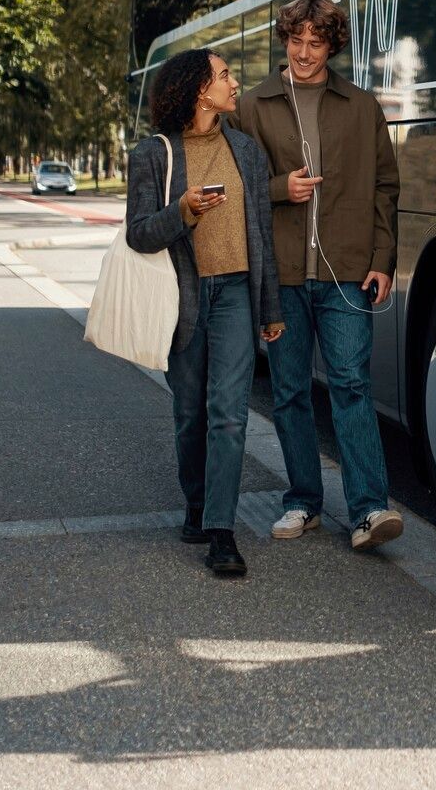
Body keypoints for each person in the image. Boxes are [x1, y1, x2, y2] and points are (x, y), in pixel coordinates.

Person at [232, 0, 404, 552]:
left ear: (332, 46)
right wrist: (283, 189)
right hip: (281, 275)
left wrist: (382, 260)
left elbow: (385, 186)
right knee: (288, 390)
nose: (304, 54)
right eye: (296, 41)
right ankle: (303, 500)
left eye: (316, 43)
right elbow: (233, 183)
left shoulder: (360, 105)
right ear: (285, 40)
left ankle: (369, 509)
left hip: (346, 271)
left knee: (351, 384)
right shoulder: (253, 104)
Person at [126, 48, 283, 578]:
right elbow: (139, 233)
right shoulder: (153, 154)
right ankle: (196, 502)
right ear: (199, 90)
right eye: (225, 76)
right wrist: (185, 210)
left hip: (237, 292)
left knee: (229, 414)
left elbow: (260, 233)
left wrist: (270, 306)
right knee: (190, 412)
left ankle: (221, 530)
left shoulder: (246, 150)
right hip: (184, 296)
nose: (235, 84)